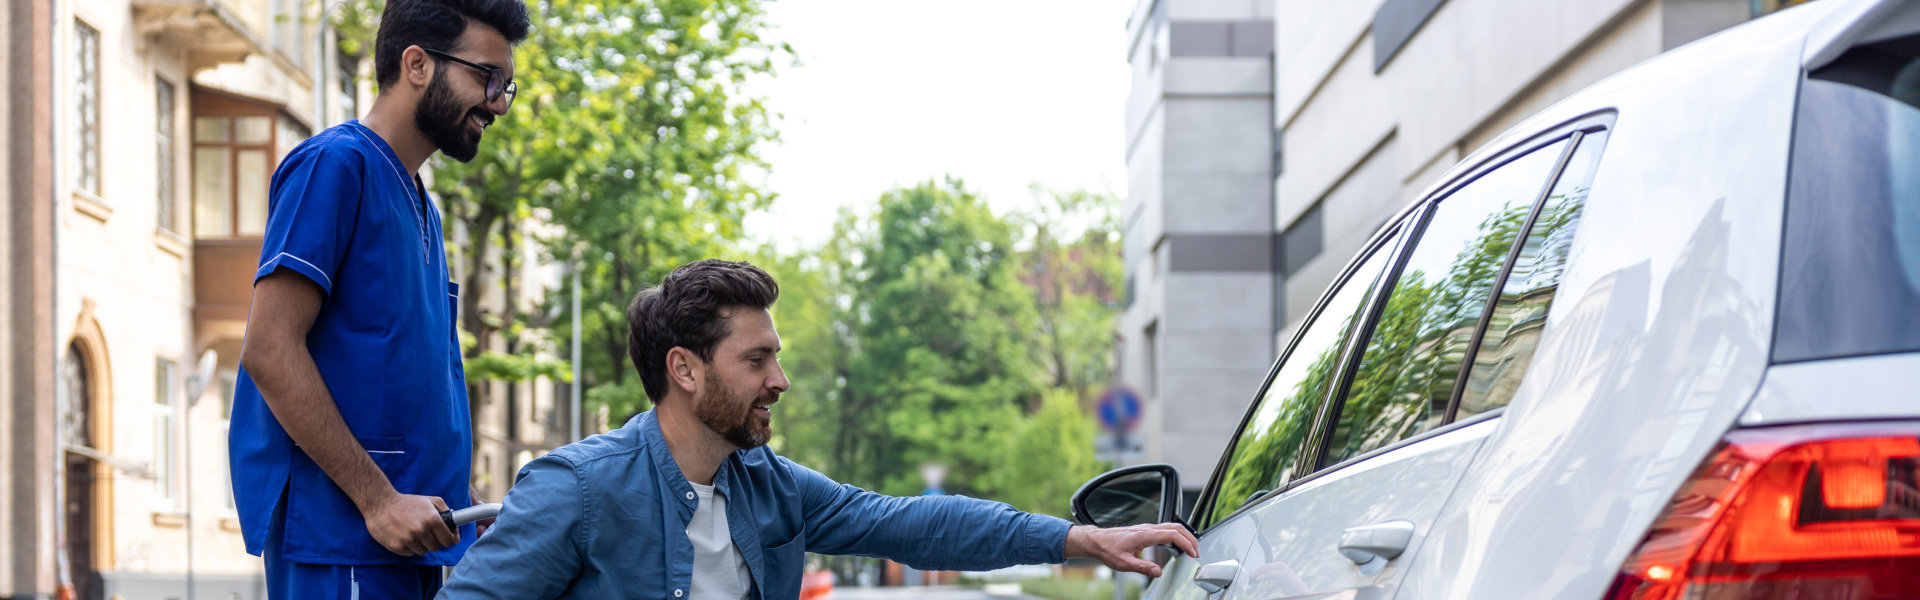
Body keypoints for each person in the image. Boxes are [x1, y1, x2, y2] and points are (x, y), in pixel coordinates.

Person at [439, 259, 1198, 599]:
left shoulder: (769, 486)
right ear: (686, 369)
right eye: (757, 359)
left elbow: (914, 525)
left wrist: (1079, 539)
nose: (780, 380)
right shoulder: (577, 489)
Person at [226, 1, 529, 597]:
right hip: (343, 544)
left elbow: (392, 374)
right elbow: (268, 347)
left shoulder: (423, 205)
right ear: (417, 64)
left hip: (407, 544)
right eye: (486, 78)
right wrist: (379, 498)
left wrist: (461, 500)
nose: (497, 102)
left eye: (506, 86)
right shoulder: (335, 166)